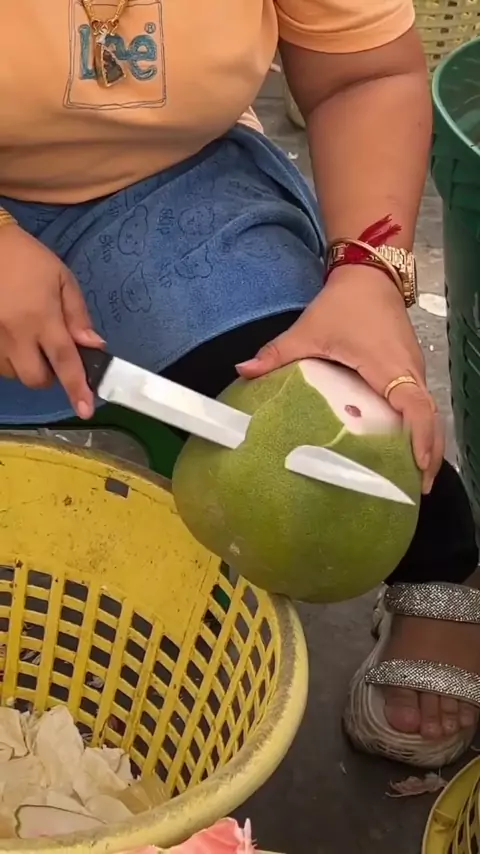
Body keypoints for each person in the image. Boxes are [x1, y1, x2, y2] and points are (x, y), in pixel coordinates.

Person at [0, 0, 478, 770]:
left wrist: (367, 273)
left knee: (311, 392)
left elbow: (362, 76)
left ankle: (438, 553)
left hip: (166, 186)